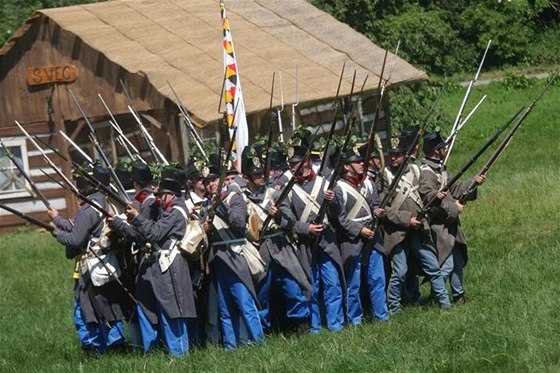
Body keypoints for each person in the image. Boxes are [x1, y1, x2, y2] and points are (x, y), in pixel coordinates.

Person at [111, 172, 197, 356]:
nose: (157, 198)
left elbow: (154, 234)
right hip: (161, 264)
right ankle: (166, 353)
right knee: (162, 310)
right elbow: (142, 236)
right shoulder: (166, 210)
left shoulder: (176, 211)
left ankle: (180, 356)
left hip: (171, 263)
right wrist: (119, 224)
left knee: (173, 311)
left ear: (171, 195)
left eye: (160, 195)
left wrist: (136, 217)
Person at [49, 165, 128, 356]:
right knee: (108, 305)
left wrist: (56, 233)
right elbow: (76, 225)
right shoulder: (106, 203)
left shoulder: (89, 208)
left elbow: (76, 238)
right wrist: (57, 218)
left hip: (91, 266)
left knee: (87, 308)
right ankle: (115, 343)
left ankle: (96, 347)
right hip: (106, 262)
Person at [240, 146, 312, 333]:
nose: (262, 177)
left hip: (281, 248)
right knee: (261, 294)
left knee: (293, 287)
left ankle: (300, 325)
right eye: (256, 175)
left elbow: (290, 221)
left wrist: (279, 215)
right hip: (261, 250)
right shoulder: (241, 198)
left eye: (262, 173)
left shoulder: (276, 193)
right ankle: (263, 329)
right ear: (247, 178)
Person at [383, 135, 451, 313]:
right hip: (397, 232)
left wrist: (434, 197)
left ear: (406, 154)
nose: (394, 158)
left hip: (418, 229)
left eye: (398, 154)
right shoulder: (385, 176)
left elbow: (425, 194)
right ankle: (394, 309)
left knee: (433, 267)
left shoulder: (417, 171)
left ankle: (445, 305)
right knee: (400, 272)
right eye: (392, 155)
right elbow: (385, 209)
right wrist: (407, 220)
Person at [204, 157, 264, 350]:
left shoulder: (234, 198)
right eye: (207, 182)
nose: (211, 184)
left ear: (222, 181)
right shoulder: (206, 205)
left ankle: (258, 342)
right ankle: (231, 346)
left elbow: (238, 223)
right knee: (225, 307)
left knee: (245, 303)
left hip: (234, 254)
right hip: (218, 258)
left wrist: (219, 207)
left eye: (214, 180)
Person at [283, 145, 344, 334]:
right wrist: (306, 228)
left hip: (326, 239)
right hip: (305, 243)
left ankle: (335, 325)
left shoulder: (324, 183)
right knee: (312, 286)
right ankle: (316, 327)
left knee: (332, 283)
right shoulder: (289, 190)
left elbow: (338, 212)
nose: (294, 168)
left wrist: (332, 200)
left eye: (297, 164)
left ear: (307, 162)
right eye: (292, 165)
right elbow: (287, 221)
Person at [418, 131, 484, 304]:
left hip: (450, 222)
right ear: (435, 150)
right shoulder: (426, 172)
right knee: (445, 265)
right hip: (438, 224)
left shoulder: (441, 168)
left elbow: (454, 188)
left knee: (458, 260)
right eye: (442, 147)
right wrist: (454, 208)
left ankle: (459, 295)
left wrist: (473, 182)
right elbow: (429, 199)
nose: (445, 149)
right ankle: (436, 298)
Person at [332, 147, 388, 325]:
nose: (362, 163)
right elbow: (339, 219)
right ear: (347, 167)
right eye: (357, 161)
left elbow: (375, 205)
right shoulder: (339, 189)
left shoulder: (369, 183)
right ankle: (355, 320)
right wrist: (359, 230)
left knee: (377, 279)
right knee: (353, 284)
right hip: (352, 240)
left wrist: (378, 212)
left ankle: (382, 317)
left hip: (373, 237)